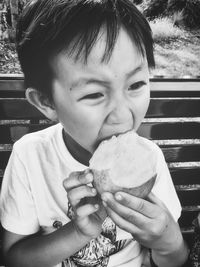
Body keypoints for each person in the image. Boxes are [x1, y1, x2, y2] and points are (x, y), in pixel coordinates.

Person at [0, 0, 189, 266]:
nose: (123, 116)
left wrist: (168, 242)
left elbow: (175, 259)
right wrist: (77, 232)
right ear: (46, 102)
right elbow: (13, 258)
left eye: (135, 84)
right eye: (94, 94)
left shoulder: (149, 159)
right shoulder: (30, 156)